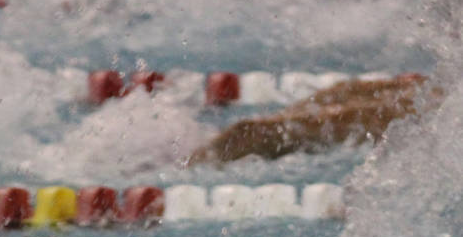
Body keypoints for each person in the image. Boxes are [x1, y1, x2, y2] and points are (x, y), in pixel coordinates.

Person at [188, 73, 440, 164]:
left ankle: (188, 164)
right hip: (441, 94)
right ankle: (191, 158)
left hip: (435, 108)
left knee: (249, 132)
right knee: (343, 90)